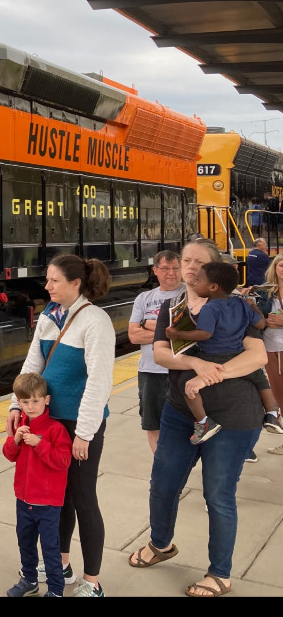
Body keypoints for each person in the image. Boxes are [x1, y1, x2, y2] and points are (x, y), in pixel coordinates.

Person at [128, 238, 267, 598]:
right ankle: (161, 544)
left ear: (214, 271)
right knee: (163, 483)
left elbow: (257, 357)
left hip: (234, 414)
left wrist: (210, 373)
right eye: (185, 259)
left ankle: (219, 573)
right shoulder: (172, 307)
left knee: (218, 494)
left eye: (198, 262)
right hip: (180, 410)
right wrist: (194, 363)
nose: (188, 267)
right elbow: (160, 353)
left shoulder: (236, 307)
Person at [6, 254, 115, 597]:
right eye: (48, 280)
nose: (47, 286)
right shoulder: (49, 317)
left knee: (83, 498)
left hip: (79, 424)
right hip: (48, 421)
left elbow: (99, 381)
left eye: (54, 280)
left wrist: (84, 433)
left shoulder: (95, 321)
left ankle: (92, 581)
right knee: (59, 498)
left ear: (76, 283)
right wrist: (15, 405)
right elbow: (33, 365)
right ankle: (62, 564)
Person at [164, 262, 278, 443]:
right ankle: (272, 414)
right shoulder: (241, 303)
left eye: (199, 280)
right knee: (259, 378)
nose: (194, 283)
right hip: (237, 355)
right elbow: (260, 324)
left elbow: (204, 334)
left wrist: (177, 333)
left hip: (212, 355)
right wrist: (253, 307)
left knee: (186, 384)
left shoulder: (210, 308)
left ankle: (204, 423)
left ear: (213, 287)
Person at [3, 373, 72, 598]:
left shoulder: (55, 430)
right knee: (25, 542)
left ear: (46, 400)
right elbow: (8, 455)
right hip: (23, 500)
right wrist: (15, 440)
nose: (30, 407)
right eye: (25, 402)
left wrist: (40, 444)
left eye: (35, 401)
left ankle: (55, 590)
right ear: (18, 402)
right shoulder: (20, 425)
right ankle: (29, 580)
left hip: (47, 503)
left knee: (50, 548)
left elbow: (63, 461)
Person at [128, 251, 183, 453]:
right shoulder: (144, 298)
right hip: (151, 371)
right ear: (155, 271)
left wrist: (150, 325)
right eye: (165, 268)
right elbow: (133, 336)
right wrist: (168, 332)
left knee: (185, 424)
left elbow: (188, 333)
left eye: (176, 268)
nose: (171, 273)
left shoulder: (191, 295)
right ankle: (161, 465)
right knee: (153, 423)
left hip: (182, 369)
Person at [247, 252, 283, 454]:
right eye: (280, 265)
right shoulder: (266, 292)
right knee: (279, 395)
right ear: (274, 268)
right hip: (271, 349)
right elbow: (259, 319)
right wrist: (252, 305)